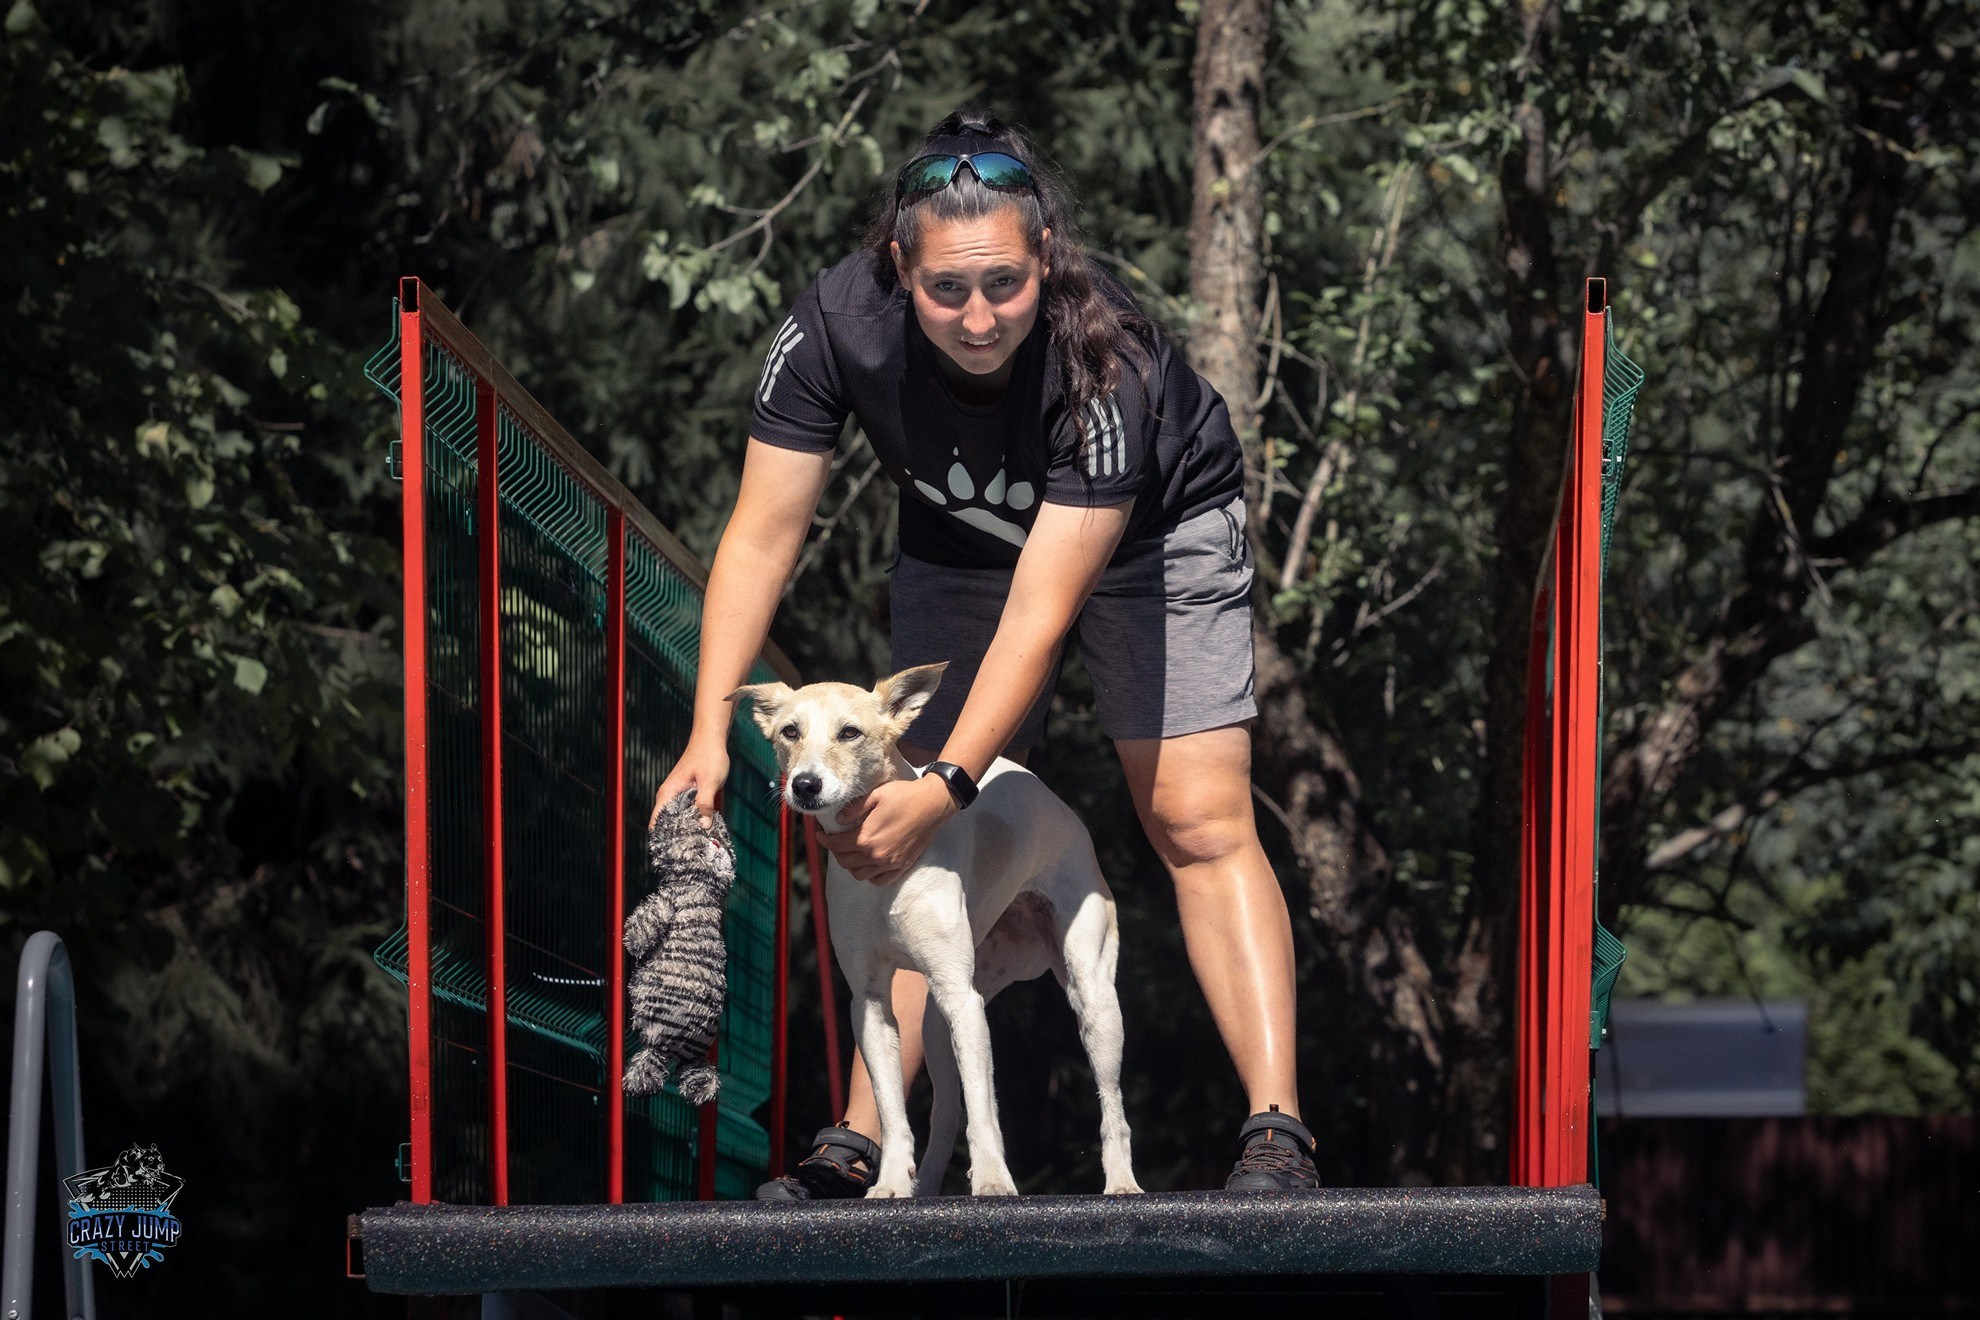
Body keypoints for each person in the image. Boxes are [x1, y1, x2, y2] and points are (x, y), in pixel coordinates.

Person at [649, 109, 1316, 1195]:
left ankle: (1277, 1129)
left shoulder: (1109, 359)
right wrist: (707, 731)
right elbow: (762, 534)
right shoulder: (829, 326)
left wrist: (951, 781)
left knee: (1193, 812)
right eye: (945, 288)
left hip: (1153, 528)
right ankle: (864, 1141)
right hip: (960, 540)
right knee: (889, 826)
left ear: (1045, 256)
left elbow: (1041, 617)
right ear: (897, 264)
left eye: (1004, 284)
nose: (976, 316)